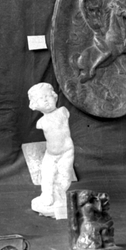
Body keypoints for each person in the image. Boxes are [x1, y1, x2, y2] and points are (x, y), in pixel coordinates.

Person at [28, 83, 75, 219]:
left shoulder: (63, 112)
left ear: (55, 97)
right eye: (41, 98)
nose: (46, 100)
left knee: (65, 175)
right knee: (47, 174)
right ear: (35, 105)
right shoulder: (41, 122)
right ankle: (47, 195)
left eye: (48, 96)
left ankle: (59, 196)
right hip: (50, 154)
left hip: (66, 152)